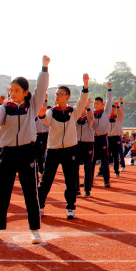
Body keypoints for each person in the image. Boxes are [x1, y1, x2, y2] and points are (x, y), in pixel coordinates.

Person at [0, 56, 50, 244]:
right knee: (2, 193)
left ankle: (34, 230)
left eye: (17, 90)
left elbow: (41, 88)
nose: (13, 93)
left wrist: (44, 68)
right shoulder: (4, 108)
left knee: (30, 193)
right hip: (7, 153)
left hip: (27, 152)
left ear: (25, 92)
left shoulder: (31, 106)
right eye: (11, 90)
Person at [37, 73, 89, 220]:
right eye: (56, 94)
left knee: (71, 180)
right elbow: (45, 120)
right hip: (53, 150)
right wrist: (41, 115)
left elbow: (82, 101)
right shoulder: (51, 111)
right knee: (46, 180)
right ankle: (40, 206)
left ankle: (71, 208)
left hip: (70, 149)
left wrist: (85, 86)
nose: (57, 96)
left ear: (67, 96)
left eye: (60, 94)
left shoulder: (73, 112)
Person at [91, 83, 113, 188]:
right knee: (91, 161)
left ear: (102, 104)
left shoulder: (105, 112)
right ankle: (89, 181)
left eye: (97, 103)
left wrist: (109, 89)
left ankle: (106, 180)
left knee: (105, 160)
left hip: (103, 138)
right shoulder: (91, 114)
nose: (95, 105)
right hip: (93, 139)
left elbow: (109, 102)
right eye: (94, 104)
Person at [76, 98, 94, 197]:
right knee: (75, 168)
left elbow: (91, 118)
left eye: (83, 108)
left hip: (88, 143)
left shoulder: (89, 118)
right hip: (77, 143)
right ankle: (77, 190)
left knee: (88, 167)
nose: (82, 110)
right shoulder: (75, 118)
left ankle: (87, 190)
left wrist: (88, 108)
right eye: (80, 107)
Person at [107, 98, 125, 177]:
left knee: (116, 155)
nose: (112, 111)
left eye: (114, 110)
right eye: (111, 110)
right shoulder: (107, 118)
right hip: (107, 138)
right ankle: (103, 171)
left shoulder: (118, 118)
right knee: (105, 156)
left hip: (116, 138)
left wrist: (119, 106)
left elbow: (121, 113)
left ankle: (116, 171)